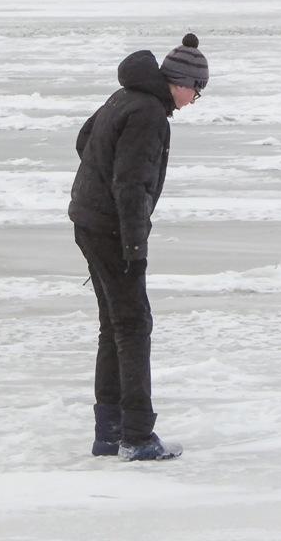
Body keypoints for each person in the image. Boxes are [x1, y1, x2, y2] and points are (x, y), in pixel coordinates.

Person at [69, 33, 208, 462]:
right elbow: (131, 185)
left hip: (88, 221)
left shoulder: (126, 96)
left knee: (114, 325)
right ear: (181, 83)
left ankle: (108, 431)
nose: (194, 99)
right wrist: (133, 244)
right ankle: (137, 435)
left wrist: (97, 184)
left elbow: (84, 140)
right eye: (196, 91)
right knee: (133, 327)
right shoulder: (149, 113)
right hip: (111, 230)